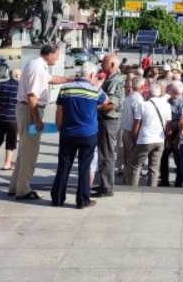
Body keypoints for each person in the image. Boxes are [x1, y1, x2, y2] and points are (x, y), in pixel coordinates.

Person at [9, 44, 75, 201]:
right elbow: (32, 95)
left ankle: (16, 186)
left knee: (24, 151)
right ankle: (23, 190)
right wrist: (37, 119)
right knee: (30, 152)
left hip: (27, 109)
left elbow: (50, 79)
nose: (58, 58)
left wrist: (70, 79)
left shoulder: (38, 64)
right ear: (50, 54)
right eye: (57, 55)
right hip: (30, 110)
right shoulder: (38, 67)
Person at [51, 62, 109, 208]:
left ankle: (57, 198)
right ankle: (82, 200)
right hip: (88, 134)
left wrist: (59, 127)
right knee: (84, 167)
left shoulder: (65, 89)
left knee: (64, 166)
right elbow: (106, 101)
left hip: (68, 132)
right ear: (91, 75)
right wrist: (96, 84)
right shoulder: (95, 91)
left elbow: (59, 111)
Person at [96, 53, 126, 198]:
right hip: (105, 120)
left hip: (109, 120)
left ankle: (107, 187)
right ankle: (104, 184)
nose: (102, 65)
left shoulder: (115, 80)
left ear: (112, 65)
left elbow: (112, 104)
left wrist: (92, 108)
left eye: (104, 63)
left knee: (106, 155)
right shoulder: (109, 78)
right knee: (103, 154)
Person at [129, 83, 170, 188]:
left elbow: (137, 124)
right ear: (159, 93)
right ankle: (152, 190)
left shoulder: (143, 105)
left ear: (149, 93)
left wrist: (133, 139)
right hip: (160, 139)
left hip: (145, 139)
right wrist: (168, 139)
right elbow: (168, 125)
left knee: (136, 166)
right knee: (154, 168)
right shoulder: (166, 105)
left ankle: (133, 189)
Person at [120, 76, 146, 185]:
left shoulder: (129, 98)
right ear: (142, 86)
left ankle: (126, 180)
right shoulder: (138, 100)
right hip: (133, 132)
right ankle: (130, 183)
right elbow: (138, 120)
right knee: (132, 159)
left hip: (126, 130)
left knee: (126, 159)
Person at [160, 81, 183, 187]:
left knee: (178, 158)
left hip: (177, 132)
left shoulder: (182, 103)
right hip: (168, 132)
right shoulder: (168, 101)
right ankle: (164, 180)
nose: (168, 90)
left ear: (174, 91)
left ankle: (179, 182)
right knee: (163, 156)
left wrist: (178, 138)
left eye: (170, 88)